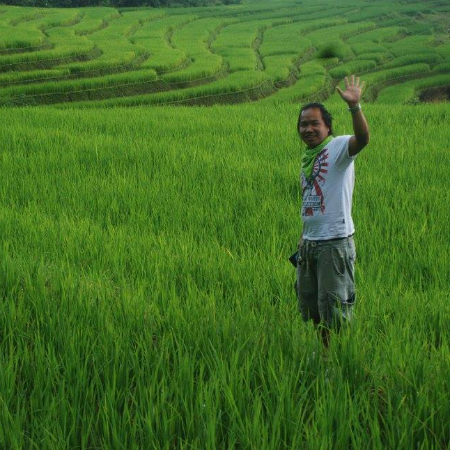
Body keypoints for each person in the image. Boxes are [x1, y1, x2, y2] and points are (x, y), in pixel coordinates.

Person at [296, 75, 370, 347]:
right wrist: (304, 236)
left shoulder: (338, 149)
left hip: (334, 243)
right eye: (303, 124)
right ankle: (323, 354)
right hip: (310, 244)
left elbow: (363, 138)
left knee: (334, 311)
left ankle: (336, 362)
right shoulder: (308, 159)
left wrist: (355, 107)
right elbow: (311, 202)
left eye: (315, 123)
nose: (309, 129)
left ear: (327, 127)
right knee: (313, 306)